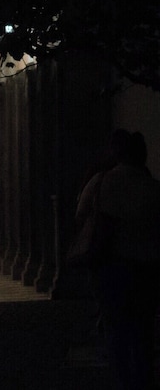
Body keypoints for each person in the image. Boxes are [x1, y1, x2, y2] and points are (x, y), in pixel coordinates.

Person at [77, 129, 160, 390]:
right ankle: (143, 379)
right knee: (143, 330)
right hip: (146, 268)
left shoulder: (102, 182)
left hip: (110, 265)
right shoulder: (152, 187)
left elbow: (80, 215)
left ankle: (123, 379)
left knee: (116, 328)